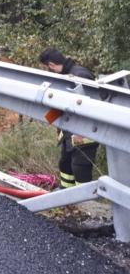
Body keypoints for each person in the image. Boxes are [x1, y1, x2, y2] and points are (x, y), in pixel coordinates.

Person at [38, 48, 100, 188]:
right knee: (65, 165)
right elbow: (63, 104)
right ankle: (65, 193)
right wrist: (50, 118)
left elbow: (92, 106)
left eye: (46, 68)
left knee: (80, 168)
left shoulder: (81, 75)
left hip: (84, 134)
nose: (47, 71)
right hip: (69, 133)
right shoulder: (64, 76)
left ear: (51, 65)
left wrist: (80, 132)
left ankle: (83, 198)